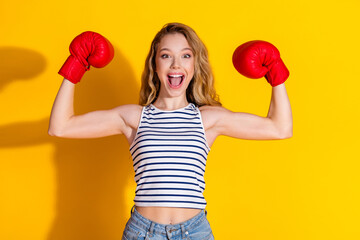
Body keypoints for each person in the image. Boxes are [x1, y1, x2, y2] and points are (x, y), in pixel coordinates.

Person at [48, 23, 292, 240]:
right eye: (166, 56)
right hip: (143, 233)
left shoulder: (208, 119)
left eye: (186, 56)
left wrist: (275, 72)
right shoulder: (134, 117)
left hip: (195, 231)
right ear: (155, 64)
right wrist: (76, 64)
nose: (176, 64)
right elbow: (61, 126)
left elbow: (280, 128)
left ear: (195, 65)